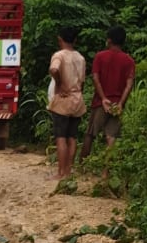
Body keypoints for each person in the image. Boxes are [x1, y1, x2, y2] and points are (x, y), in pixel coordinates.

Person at [81, 25, 135, 164]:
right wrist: (121, 104)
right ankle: (107, 172)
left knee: (91, 133)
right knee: (112, 137)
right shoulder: (129, 61)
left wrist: (104, 98)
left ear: (109, 40)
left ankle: (81, 166)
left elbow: (95, 78)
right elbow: (129, 85)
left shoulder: (100, 56)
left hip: (100, 102)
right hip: (117, 103)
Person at [47, 26, 86, 179]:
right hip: (77, 100)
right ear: (75, 40)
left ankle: (60, 172)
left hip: (63, 100)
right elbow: (82, 81)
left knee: (61, 137)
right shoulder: (80, 58)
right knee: (72, 137)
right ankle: (69, 171)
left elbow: (54, 70)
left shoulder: (59, 55)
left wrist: (60, 84)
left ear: (60, 39)